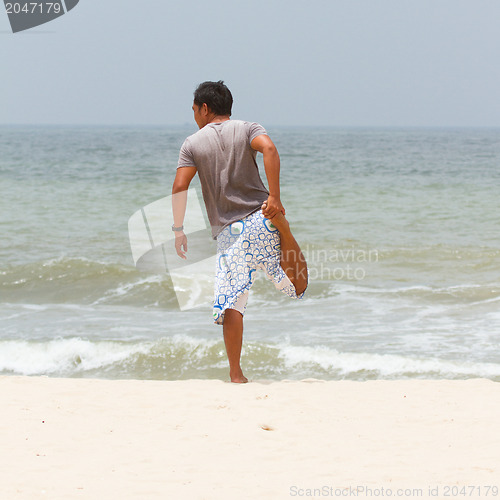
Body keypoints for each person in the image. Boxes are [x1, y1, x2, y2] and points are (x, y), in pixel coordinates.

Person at [171, 81, 308, 383]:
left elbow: (180, 187)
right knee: (296, 288)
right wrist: (274, 197)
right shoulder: (249, 128)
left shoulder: (192, 143)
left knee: (233, 302)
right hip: (262, 219)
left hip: (229, 233)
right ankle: (285, 230)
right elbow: (269, 149)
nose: (195, 116)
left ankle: (236, 374)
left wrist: (179, 229)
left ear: (205, 109)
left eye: (195, 110)